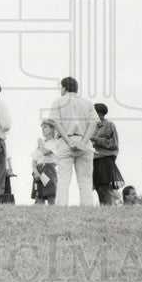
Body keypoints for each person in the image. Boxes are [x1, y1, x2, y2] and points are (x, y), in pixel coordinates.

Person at [48, 76, 98, 206]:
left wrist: (69, 141)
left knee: (64, 178)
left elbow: (56, 123)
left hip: (65, 141)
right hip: (84, 140)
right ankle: (87, 207)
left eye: (61, 88)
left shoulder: (58, 101)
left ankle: (61, 207)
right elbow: (93, 124)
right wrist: (83, 142)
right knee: (85, 180)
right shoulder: (87, 103)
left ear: (64, 88)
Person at [91, 103, 125, 205]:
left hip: (105, 159)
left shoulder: (109, 125)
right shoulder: (91, 127)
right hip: (93, 159)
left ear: (99, 114)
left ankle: (107, 207)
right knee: (97, 187)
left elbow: (114, 144)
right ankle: (103, 207)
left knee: (104, 186)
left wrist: (96, 139)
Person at [30, 119, 58, 205]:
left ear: (51, 129)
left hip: (48, 169)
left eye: (45, 127)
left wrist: (40, 143)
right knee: (39, 195)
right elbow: (34, 160)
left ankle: (52, 212)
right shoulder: (39, 145)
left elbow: (45, 152)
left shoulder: (54, 143)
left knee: (51, 194)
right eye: (42, 127)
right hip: (39, 169)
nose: (43, 129)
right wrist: (35, 171)